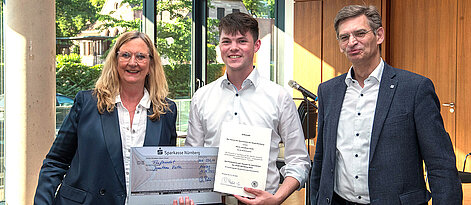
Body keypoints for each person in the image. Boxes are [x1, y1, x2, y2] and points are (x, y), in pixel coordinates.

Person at [309, 5, 462, 205]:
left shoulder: (415, 89)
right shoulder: (328, 91)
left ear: (379, 35)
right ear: (339, 44)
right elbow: (321, 159)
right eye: (344, 37)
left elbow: (440, 165)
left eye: (360, 33)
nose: (352, 42)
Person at [34, 31, 177, 204]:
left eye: (141, 56)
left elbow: (165, 172)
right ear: (115, 60)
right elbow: (56, 161)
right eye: (125, 55)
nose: (133, 62)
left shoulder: (166, 111)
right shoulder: (87, 103)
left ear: (151, 65)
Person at [186, 12, 311, 205]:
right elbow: (193, 158)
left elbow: (299, 161)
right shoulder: (202, 97)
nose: (233, 48)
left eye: (242, 41)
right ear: (219, 46)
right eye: (226, 41)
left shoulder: (278, 97)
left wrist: (276, 198)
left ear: (256, 45)